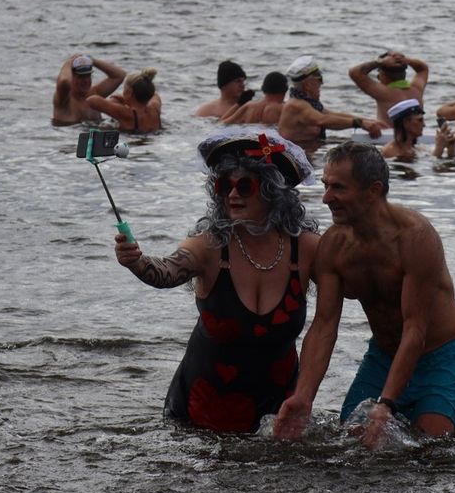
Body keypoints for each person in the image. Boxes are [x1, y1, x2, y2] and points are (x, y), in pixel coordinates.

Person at [112, 129, 321, 433]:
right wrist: (136, 261)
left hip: (278, 402)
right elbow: (165, 271)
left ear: (273, 192)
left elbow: (350, 287)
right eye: (225, 185)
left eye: (245, 185)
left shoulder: (306, 248)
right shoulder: (209, 245)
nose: (233, 195)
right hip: (204, 405)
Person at [274, 142, 455, 448]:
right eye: (326, 186)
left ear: (373, 190)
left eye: (338, 188)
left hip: (440, 356)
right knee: (352, 442)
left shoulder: (415, 238)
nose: (327, 198)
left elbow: (415, 329)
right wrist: (303, 396)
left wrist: (387, 404)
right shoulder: (334, 246)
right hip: (383, 355)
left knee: (433, 448)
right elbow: (324, 325)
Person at [277, 55, 383, 147]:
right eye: (320, 79)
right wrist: (360, 123)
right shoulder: (296, 105)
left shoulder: (308, 105)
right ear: (308, 85)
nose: (321, 84)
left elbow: (332, 115)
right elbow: (323, 120)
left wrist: (370, 121)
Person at [348, 52, 430, 127]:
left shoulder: (383, 93)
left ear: (382, 74)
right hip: (417, 136)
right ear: (404, 73)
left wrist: (379, 62)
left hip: (390, 139)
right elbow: (423, 69)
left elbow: (355, 72)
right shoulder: (416, 89)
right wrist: (406, 60)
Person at [52, 53, 126, 126]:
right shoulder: (63, 100)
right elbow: (64, 81)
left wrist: (92, 60)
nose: (86, 81)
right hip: (69, 135)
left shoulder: (94, 93)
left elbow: (120, 75)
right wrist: (69, 62)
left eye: (88, 76)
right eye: (81, 77)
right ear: (71, 77)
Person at [85, 67, 162, 133]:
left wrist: (116, 99)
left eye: (124, 89)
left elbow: (91, 100)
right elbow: (155, 95)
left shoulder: (127, 114)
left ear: (130, 92)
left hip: (133, 142)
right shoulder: (155, 108)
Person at [381, 98, 455, 161]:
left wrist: (451, 148)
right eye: (419, 120)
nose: (424, 125)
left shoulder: (418, 149)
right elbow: (429, 172)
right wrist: (439, 148)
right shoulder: (390, 151)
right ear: (405, 122)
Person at [222, 71, 288, 126]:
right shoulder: (282, 109)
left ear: (264, 89)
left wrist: (238, 104)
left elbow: (222, 123)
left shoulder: (249, 106)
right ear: (284, 90)